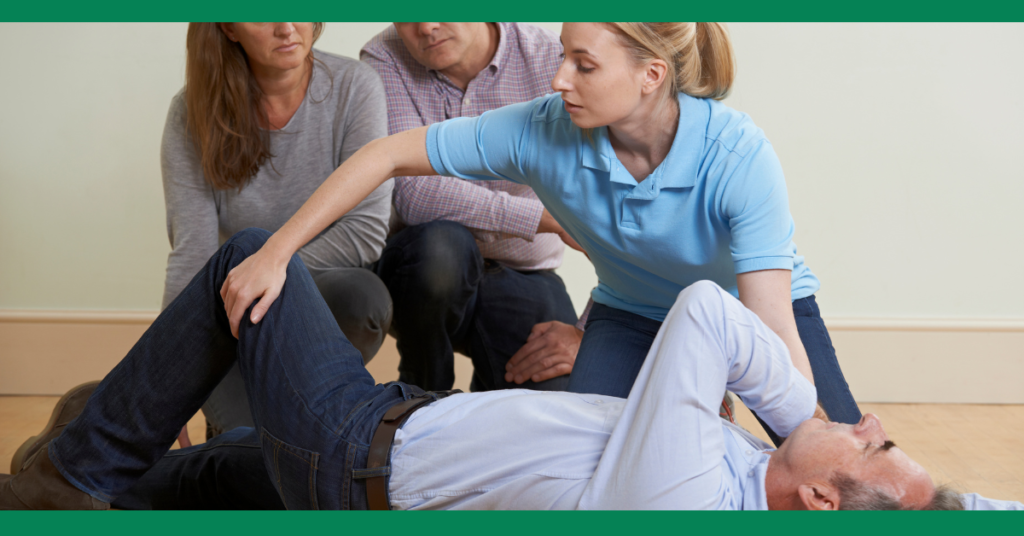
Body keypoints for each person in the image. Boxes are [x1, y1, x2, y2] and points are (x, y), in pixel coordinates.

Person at [0, 229, 972, 510]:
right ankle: (89, 460)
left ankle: (76, 465)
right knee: (208, 474)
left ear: (820, 502)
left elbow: (709, 312)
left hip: (356, 455)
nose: (860, 420)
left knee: (247, 261)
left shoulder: (684, 495)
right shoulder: (741, 481)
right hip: (401, 447)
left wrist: (797, 412)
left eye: (866, 444)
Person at [219, 22, 861, 444]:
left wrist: (808, 437)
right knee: (591, 456)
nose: (559, 80)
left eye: (583, 65)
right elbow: (385, 155)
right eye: (562, 58)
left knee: (834, 451)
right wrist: (276, 253)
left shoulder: (737, 153)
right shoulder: (543, 128)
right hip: (632, 314)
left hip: (750, 311)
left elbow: (771, 319)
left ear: (651, 76)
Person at [161, 22, 394, 441]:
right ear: (229, 28)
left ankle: (300, 419)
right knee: (250, 456)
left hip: (320, 291)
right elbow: (192, 251)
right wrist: (165, 375)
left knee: (364, 297)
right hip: (232, 308)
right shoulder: (190, 110)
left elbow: (365, 230)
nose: (287, 28)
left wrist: (270, 267)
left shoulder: (355, 86)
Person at [360, 23, 585, 393]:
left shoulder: (551, 59)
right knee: (443, 248)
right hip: (423, 271)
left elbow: (614, 203)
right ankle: (421, 396)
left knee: (557, 391)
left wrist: (584, 331)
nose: (426, 26)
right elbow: (414, 194)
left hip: (523, 271)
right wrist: (545, 220)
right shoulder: (384, 56)